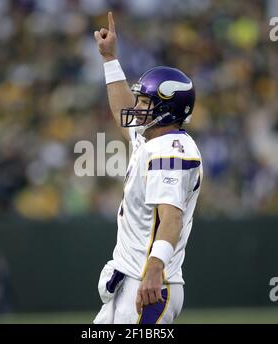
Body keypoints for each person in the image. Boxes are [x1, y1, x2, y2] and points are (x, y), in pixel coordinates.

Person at [93, 12, 203, 324]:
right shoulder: (151, 138)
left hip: (149, 286)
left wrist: (154, 271)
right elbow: (120, 110)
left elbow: (172, 218)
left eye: (145, 103)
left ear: (166, 110)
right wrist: (110, 58)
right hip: (127, 281)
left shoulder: (172, 150)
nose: (137, 108)